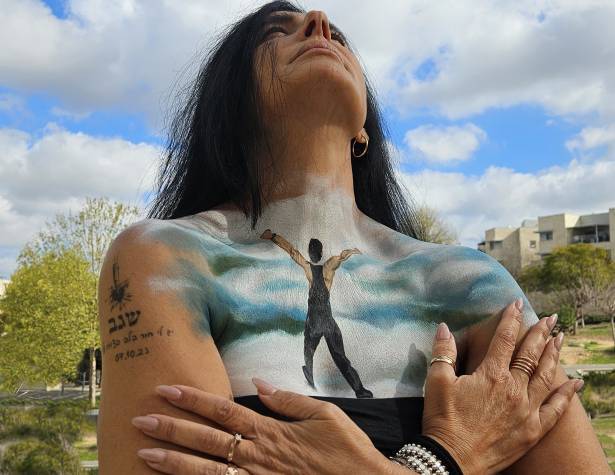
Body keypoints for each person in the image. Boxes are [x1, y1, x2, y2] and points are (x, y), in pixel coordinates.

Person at [96, 1, 611, 474]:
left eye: (337, 35)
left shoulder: (470, 283)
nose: (319, 23)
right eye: (275, 32)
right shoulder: (167, 261)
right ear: (229, 102)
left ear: (364, 127)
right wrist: (446, 457)